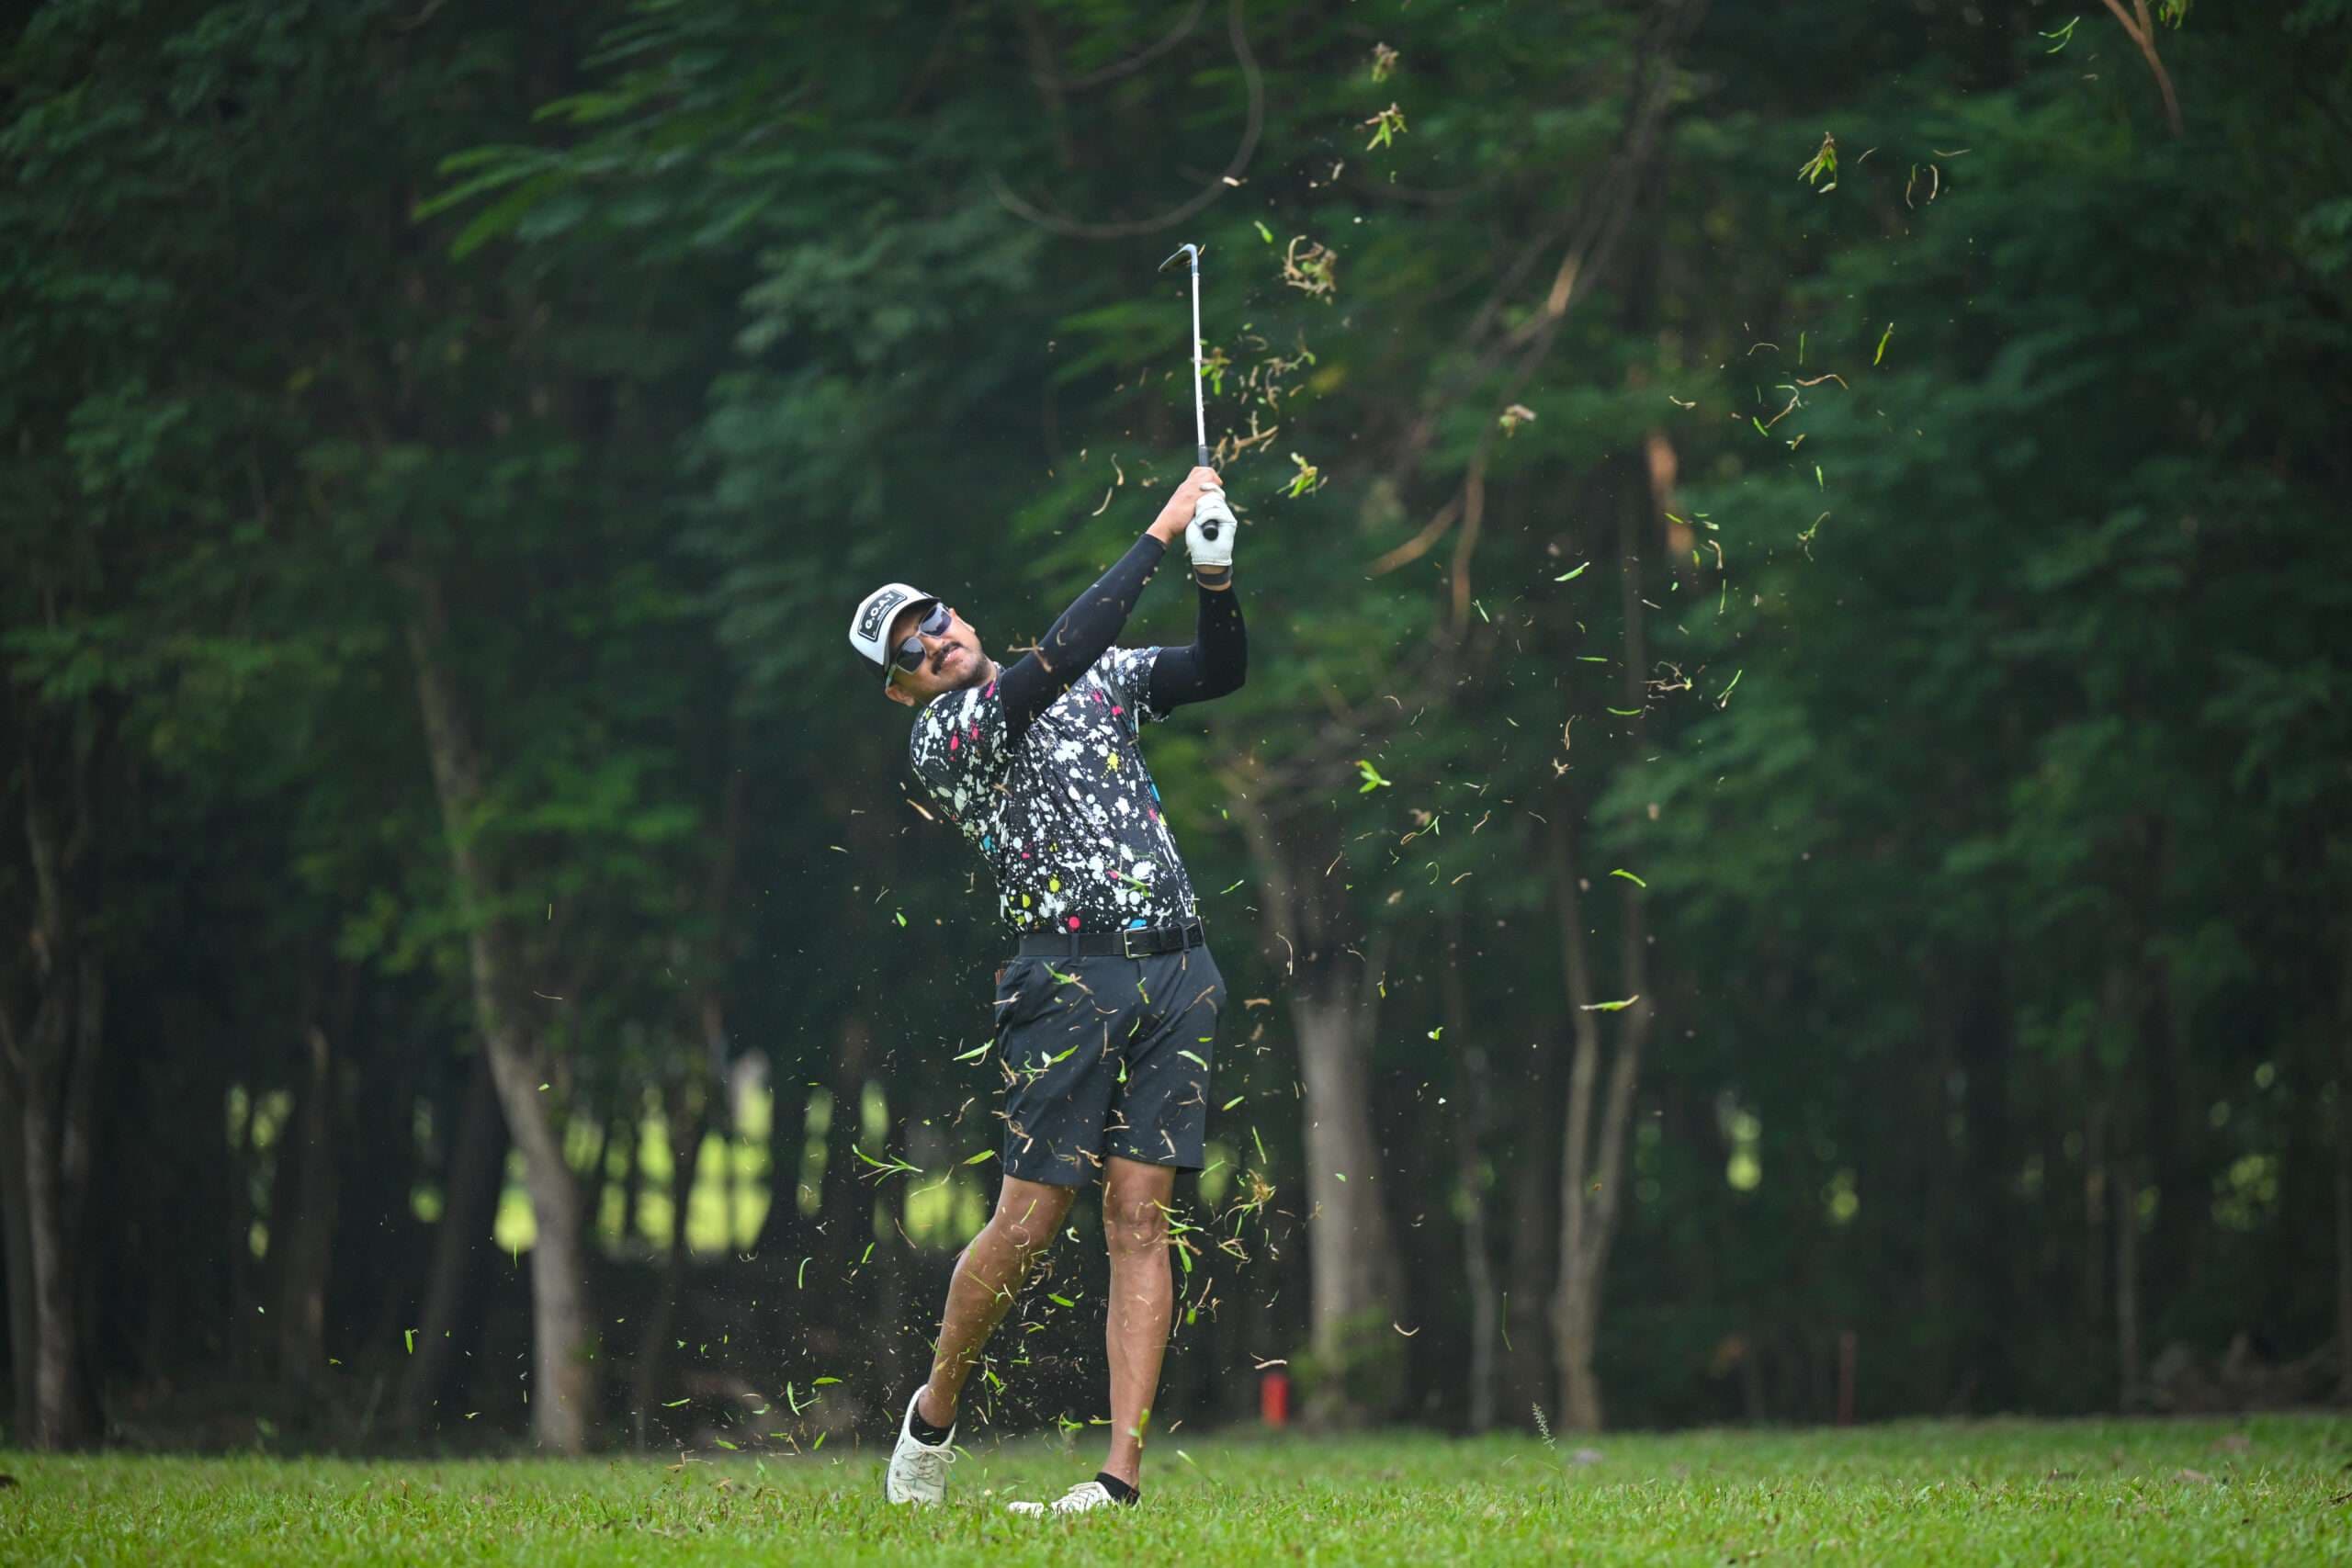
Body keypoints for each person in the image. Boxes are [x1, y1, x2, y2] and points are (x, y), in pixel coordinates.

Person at [845, 466, 1245, 1516]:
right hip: (1064, 974)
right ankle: (932, 1417)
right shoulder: (949, 736)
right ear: (903, 687)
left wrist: (1213, 573)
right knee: (1029, 1221)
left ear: (956, 613)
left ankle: (1118, 1481)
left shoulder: (1103, 677)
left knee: (1140, 1217)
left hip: (1178, 967)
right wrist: (1158, 531)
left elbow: (1218, 671)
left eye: (933, 620)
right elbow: (1053, 659)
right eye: (910, 652)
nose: (933, 642)